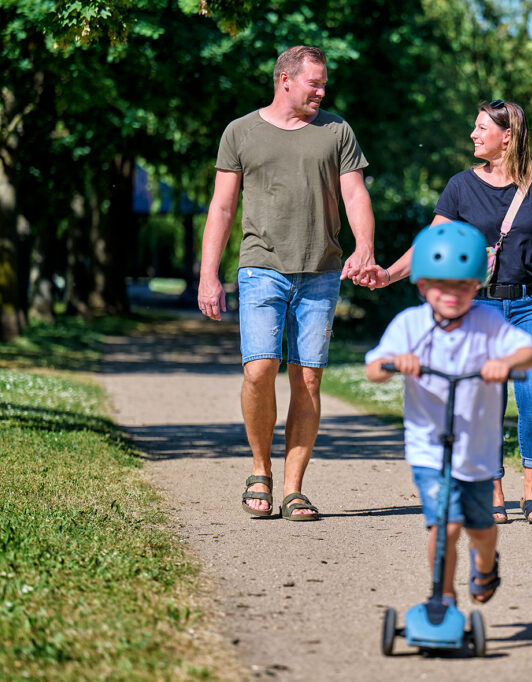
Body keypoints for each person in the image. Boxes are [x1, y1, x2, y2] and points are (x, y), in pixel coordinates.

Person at [365, 99, 532, 524]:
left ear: (508, 136)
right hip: (479, 305)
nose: (473, 134)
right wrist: (388, 275)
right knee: (486, 400)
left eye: (482, 128)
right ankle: (494, 488)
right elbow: (433, 243)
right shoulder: (460, 186)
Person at [197, 45, 377, 521]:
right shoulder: (241, 132)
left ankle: (294, 488)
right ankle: (260, 469)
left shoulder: (336, 131)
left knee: (308, 378)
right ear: (285, 80)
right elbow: (221, 207)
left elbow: (355, 194)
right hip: (261, 268)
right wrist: (208, 273)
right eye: (313, 82)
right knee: (259, 370)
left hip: (320, 270)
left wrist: (364, 248)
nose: (321, 91)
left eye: (323, 84)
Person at [365, 222, 532, 604]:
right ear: (423, 285)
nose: (452, 294)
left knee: (480, 528)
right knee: (445, 524)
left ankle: (487, 563)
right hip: (429, 449)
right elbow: (373, 369)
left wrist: (505, 362)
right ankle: (441, 598)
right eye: (442, 285)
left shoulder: (488, 323)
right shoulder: (410, 325)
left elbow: (530, 353)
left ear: (477, 286)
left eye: (463, 286)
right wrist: (397, 360)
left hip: (477, 454)